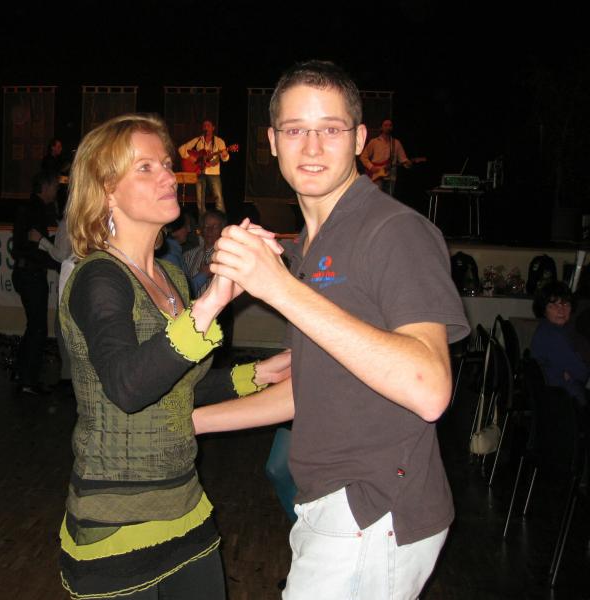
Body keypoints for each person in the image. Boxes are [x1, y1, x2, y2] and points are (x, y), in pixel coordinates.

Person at [194, 60, 470, 599]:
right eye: (296, 130)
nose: (313, 147)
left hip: (371, 508)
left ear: (360, 139)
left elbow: (430, 388)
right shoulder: (312, 245)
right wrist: (192, 424)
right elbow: (310, 391)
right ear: (273, 141)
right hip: (328, 504)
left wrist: (278, 287)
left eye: (331, 129)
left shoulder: (395, 232)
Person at [57, 113, 289, 599]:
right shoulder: (100, 277)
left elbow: (177, 390)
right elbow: (128, 388)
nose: (169, 176)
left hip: (184, 503)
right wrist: (212, 302)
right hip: (117, 519)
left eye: (166, 164)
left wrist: (260, 373)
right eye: (145, 167)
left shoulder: (172, 278)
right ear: (106, 191)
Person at [11, 170, 59, 396]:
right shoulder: (36, 211)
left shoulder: (29, 208)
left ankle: (21, 372)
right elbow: (32, 247)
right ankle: (28, 379)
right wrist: (59, 262)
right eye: (55, 186)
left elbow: (25, 246)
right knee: (38, 327)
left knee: (34, 326)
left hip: (24, 273)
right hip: (31, 274)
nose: (56, 191)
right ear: (46, 187)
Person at [530, 281, 589, 407]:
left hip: (555, 397)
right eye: (553, 305)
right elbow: (581, 373)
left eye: (566, 304)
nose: (561, 310)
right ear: (544, 310)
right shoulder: (553, 335)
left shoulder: (549, 328)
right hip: (563, 402)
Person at [178, 120, 229, 215]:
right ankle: (202, 222)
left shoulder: (219, 141)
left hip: (214, 173)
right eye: (204, 125)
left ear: (213, 128)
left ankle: (221, 219)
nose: (206, 127)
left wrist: (225, 155)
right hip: (199, 172)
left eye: (208, 125)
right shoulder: (198, 140)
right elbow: (181, 149)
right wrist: (191, 158)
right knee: (200, 200)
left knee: (218, 197)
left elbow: (225, 159)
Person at [359, 118, 414, 196]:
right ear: (381, 128)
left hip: (391, 176)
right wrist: (371, 167)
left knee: (388, 199)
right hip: (376, 175)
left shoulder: (396, 143)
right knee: (377, 197)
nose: (388, 127)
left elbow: (403, 159)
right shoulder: (374, 142)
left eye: (390, 125)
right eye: (386, 125)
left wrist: (408, 164)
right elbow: (363, 156)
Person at [182, 208, 225, 298]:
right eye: (206, 226)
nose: (210, 230)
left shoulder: (226, 257)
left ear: (222, 230)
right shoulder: (188, 256)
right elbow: (182, 287)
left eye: (215, 227)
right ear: (201, 229)